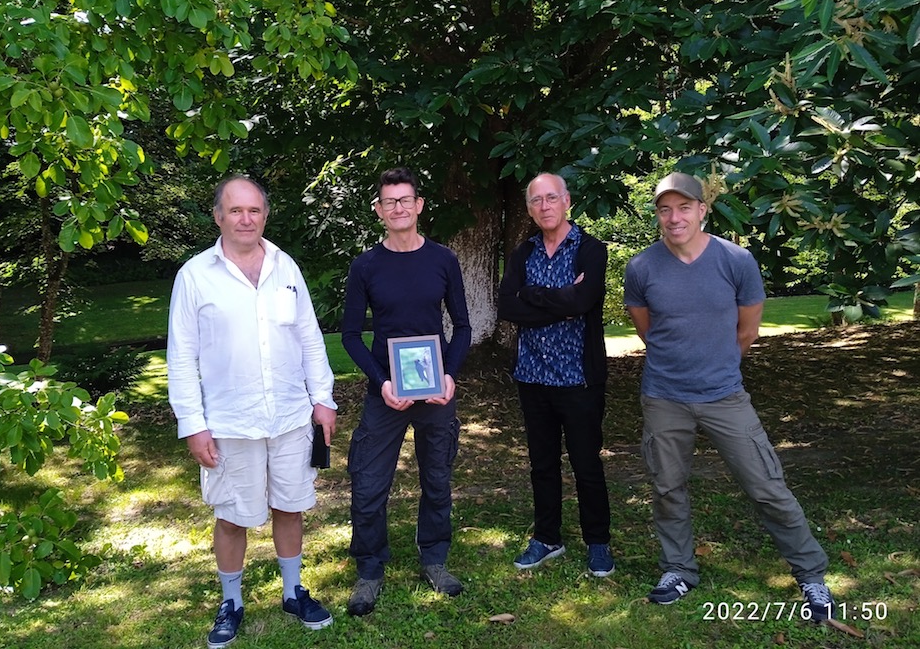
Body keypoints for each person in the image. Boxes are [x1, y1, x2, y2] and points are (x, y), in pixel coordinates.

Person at [623, 172, 834, 620]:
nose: (674, 217)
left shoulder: (736, 260)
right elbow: (649, 332)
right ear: (658, 215)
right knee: (667, 488)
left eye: (684, 207)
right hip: (664, 396)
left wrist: (716, 366)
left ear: (703, 210)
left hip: (724, 396)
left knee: (766, 485)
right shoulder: (641, 267)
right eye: (665, 209)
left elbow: (748, 330)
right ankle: (678, 569)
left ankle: (812, 576)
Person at [167, 175, 338, 648]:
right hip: (229, 422)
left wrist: (323, 399)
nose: (246, 219)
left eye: (254, 211)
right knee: (232, 516)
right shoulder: (195, 276)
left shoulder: (286, 267)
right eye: (236, 211)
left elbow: (309, 338)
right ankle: (232, 601)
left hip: (289, 416)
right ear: (219, 216)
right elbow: (181, 356)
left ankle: (292, 590)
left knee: (290, 506)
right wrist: (193, 424)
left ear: (265, 215)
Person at [341, 166, 472, 616]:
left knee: (437, 478)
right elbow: (351, 336)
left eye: (405, 200)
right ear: (379, 210)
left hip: (436, 392)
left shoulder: (443, 260)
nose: (398, 208)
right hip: (387, 393)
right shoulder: (366, 266)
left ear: (418, 205)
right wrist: (382, 382)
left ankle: (434, 559)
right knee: (368, 483)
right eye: (388, 201)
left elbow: (463, 326)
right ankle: (369, 569)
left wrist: (450, 374)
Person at [496, 173, 615, 577]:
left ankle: (597, 542)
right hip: (532, 377)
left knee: (586, 463)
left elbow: (584, 300)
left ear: (566, 202)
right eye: (536, 201)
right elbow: (508, 307)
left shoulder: (590, 249)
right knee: (542, 464)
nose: (544, 206)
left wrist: (535, 295)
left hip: (579, 378)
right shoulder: (522, 253)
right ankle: (548, 537)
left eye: (551, 198)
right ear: (529, 209)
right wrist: (559, 303)